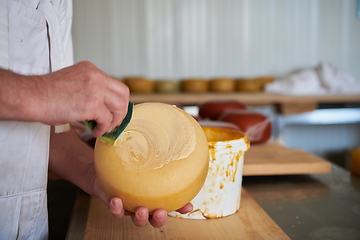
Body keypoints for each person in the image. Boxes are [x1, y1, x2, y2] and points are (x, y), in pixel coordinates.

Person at [0, 1, 191, 239]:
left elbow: (42, 130)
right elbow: (44, 100)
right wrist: (42, 93)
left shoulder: (60, 3)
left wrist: (96, 173)